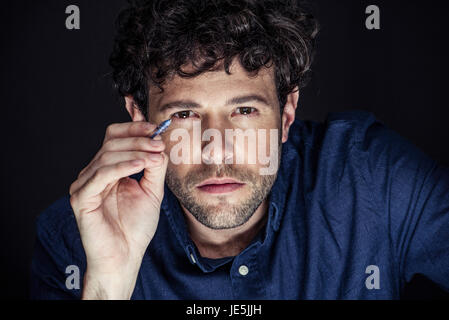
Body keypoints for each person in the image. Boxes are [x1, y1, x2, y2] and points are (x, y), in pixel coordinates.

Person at [30, 0, 449, 299]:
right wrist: (108, 285)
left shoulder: (376, 179)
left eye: (245, 110)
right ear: (139, 117)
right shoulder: (75, 239)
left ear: (286, 115)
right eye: (185, 116)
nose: (218, 153)